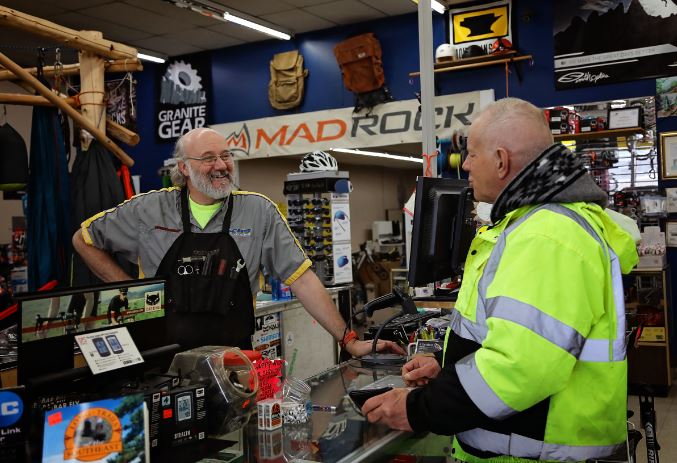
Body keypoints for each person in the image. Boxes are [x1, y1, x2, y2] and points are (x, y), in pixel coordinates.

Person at [361, 98, 638, 462]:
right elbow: (517, 340)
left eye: (472, 154)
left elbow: (520, 368)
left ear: (502, 161)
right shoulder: (531, 225)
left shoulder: (546, 236)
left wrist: (417, 408)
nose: (465, 165)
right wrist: (447, 371)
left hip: (538, 453)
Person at [72, 127, 403, 357]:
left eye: (226, 155)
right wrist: (130, 292)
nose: (221, 165)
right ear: (184, 168)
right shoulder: (148, 209)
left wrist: (348, 341)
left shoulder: (258, 211)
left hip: (236, 364)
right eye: (208, 158)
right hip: (161, 362)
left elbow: (302, 279)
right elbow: (83, 240)